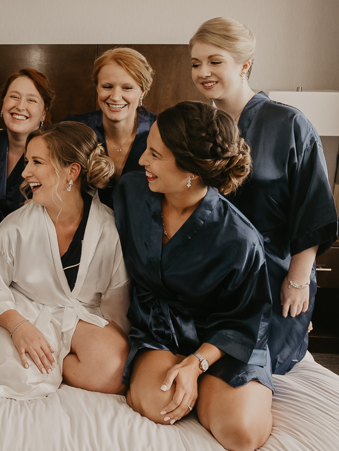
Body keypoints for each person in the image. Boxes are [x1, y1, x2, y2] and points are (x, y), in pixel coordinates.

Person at [113, 101, 273, 451]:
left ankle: (217, 392)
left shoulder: (238, 238)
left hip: (221, 342)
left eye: (154, 155)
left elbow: (248, 319)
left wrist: (197, 365)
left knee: (241, 434)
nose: (142, 161)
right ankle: (200, 393)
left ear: (192, 170)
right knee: (160, 404)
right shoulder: (131, 192)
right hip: (158, 330)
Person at [189, 17, 338, 374]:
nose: (203, 72)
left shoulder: (289, 124)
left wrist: (297, 281)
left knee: (261, 364)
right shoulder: (195, 127)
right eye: (195, 63)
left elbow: (313, 210)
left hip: (274, 274)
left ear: (245, 65)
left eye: (215, 61)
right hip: (211, 274)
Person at [0, 122, 131, 400]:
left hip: (79, 315)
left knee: (116, 373)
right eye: (26, 161)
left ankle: (57, 362)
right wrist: (20, 327)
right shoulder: (16, 227)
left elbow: (115, 300)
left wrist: (102, 345)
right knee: (20, 379)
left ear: (72, 171)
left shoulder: (107, 228)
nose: (25, 172)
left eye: (37, 162)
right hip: (24, 312)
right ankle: (47, 361)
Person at [64, 47, 157, 207]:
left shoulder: (162, 131)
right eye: (107, 86)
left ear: (142, 92)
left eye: (127, 88)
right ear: (97, 87)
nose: (115, 97)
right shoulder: (73, 130)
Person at [0, 68, 55, 223]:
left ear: (44, 112)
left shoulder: (54, 155)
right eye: (14, 97)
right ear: (2, 104)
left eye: (32, 100)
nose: (20, 106)